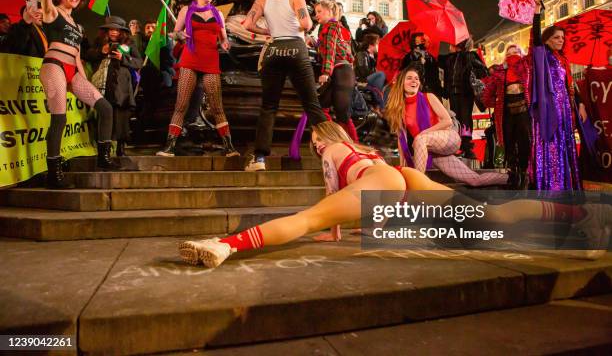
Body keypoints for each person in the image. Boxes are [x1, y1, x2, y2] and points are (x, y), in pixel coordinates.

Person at [178, 121, 608, 268]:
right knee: (490, 216)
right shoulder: (359, 145)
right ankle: (574, 214)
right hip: (400, 177)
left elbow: (332, 197)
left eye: (312, 142)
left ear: (320, 139)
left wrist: (332, 226)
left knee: (308, 218)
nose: (312, 147)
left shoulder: (329, 149)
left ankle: (225, 245)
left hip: (383, 185)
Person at [39, 0, 120, 188]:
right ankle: (53, 172)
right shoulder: (52, 13)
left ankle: (104, 158)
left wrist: (85, 82)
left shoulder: (78, 25)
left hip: (73, 69)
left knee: (105, 108)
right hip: (54, 66)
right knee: (59, 118)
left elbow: (76, 57)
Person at [242, 0, 327, 171]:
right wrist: (296, 27)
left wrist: (269, 32)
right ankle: (333, 150)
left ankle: (259, 158)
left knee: (269, 106)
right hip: (296, 48)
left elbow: (247, 24)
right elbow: (307, 25)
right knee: (311, 104)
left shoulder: (262, 0)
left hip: (274, 49)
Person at [157, 0, 238, 157]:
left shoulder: (217, 13)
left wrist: (225, 44)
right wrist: (179, 35)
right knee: (181, 104)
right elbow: (174, 33)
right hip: (190, 59)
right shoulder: (186, 10)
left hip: (210, 60)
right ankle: (169, 146)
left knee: (217, 106)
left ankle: (229, 147)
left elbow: (223, 39)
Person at [385, 66, 508, 187]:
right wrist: (402, 167)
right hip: (433, 150)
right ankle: (509, 178)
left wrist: (422, 134)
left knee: (420, 139)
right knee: (475, 180)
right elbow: (402, 141)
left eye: (416, 78)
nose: (414, 81)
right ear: (402, 82)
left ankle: (418, 187)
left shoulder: (428, 97)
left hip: (448, 138)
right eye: (409, 78)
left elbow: (447, 121)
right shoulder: (399, 109)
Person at [530, 0, 586, 190]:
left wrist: (579, 103)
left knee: (565, 145)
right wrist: (537, 10)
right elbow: (535, 39)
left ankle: (567, 185)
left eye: (562, 37)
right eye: (556, 37)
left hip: (565, 109)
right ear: (547, 40)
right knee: (552, 144)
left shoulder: (563, 60)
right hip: (550, 107)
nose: (561, 40)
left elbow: (569, 84)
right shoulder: (542, 54)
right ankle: (553, 186)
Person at [87, 16, 143, 157]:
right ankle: (104, 149)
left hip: (121, 87)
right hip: (102, 84)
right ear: (106, 30)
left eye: (117, 30)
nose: (114, 33)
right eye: (111, 29)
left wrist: (123, 58)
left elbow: (139, 62)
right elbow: (88, 55)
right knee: (104, 114)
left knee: (122, 116)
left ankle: (121, 148)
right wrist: (102, 51)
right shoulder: (99, 42)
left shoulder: (129, 43)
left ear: (122, 32)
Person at [482, 44, 531, 189]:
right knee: (508, 143)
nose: (512, 55)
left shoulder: (527, 69)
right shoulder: (499, 72)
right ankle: (513, 174)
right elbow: (487, 96)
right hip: (506, 113)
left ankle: (524, 173)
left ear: (521, 54)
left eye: (516, 52)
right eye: (509, 54)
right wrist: (497, 103)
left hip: (524, 111)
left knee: (525, 143)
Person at [315, 0, 358, 141]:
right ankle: (334, 140)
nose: (316, 15)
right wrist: (316, 43)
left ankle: (352, 146)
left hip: (340, 71)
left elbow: (330, 51)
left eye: (319, 11)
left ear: (329, 11)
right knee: (324, 108)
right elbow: (349, 54)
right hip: (342, 72)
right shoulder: (339, 28)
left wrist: (326, 72)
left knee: (342, 114)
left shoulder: (331, 26)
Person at [439, 37, 488, 159]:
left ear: (457, 45)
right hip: (452, 94)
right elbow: (437, 59)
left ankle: (466, 146)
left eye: (451, 45)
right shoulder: (449, 58)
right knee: (456, 119)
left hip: (466, 94)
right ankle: (457, 144)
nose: (449, 47)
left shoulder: (470, 56)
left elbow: (483, 70)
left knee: (465, 118)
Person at [401, 33, 445, 99]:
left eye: (422, 41)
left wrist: (439, 91)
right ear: (413, 43)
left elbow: (435, 76)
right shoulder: (408, 58)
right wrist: (418, 62)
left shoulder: (430, 58)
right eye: (417, 42)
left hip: (430, 91)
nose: (420, 44)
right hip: (414, 91)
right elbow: (404, 73)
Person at [354, 34, 386, 110]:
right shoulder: (362, 54)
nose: (378, 46)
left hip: (369, 79)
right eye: (377, 44)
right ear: (371, 45)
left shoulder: (375, 56)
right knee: (381, 75)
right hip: (361, 80)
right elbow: (364, 71)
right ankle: (380, 107)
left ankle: (382, 106)